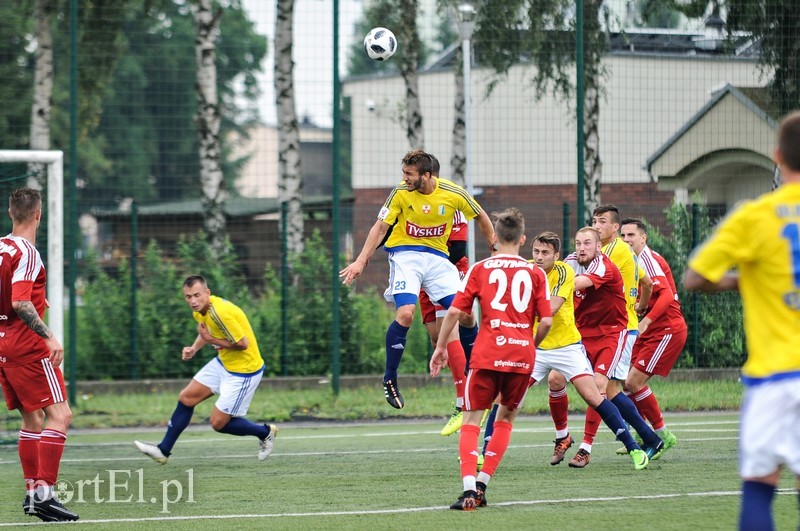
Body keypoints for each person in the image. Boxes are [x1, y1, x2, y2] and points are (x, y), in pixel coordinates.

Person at [684, 111, 800, 531]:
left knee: (758, 489)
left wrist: (746, 280)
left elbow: (695, 277)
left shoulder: (755, 214)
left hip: (772, 377)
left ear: (777, 157)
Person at [340, 149, 496, 409]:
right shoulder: (400, 193)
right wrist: (360, 260)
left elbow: (480, 215)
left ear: (426, 175)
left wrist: (494, 244)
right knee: (406, 315)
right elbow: (380, 227)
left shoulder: (453, 193)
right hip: (405, 256)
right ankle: (390, 378)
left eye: (409, 174)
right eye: (403, 173)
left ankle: (477, 373)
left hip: (437, 259)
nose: (405, 178)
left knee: (465, 313)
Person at [429, 208, 552, 510]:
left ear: (495, 237)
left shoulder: (480, 269)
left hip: (487, 354)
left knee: (471, 419)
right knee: (505, 418)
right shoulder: (536, 272)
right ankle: (483, 484)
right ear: (523, 238)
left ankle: (469, 490)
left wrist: (441, 346)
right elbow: (546, 322)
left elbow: (457, 312)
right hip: (522, 355)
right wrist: (530, 345)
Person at [529, 231, 649, 470]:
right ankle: (485, 453)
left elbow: (554, 304)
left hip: (592, 338)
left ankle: (629, 447)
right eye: (536, 252)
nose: (540, 257)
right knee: (510, 396)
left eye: (588, 243)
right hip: (542, 345)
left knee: (597, 393)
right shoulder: (537, 268)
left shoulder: (575, 270)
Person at [135, 275, 277, 464]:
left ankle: (265, 432)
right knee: (187, 398)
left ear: (207, 293)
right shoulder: (201, 310)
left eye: (197, 295)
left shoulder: (221, 313)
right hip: (224, 363)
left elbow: (243, 344)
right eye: (188, 296)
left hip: (244, 371)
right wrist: (194, 348)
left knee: (218, 423)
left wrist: (210, 340)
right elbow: (206, 333)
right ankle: (163, 451)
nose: (193, 301)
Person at [0, 188, 79, 522]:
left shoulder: (0, 247)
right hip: (26, 343)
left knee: (32, 418)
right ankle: (45, 493)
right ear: (38, 215)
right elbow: (20, 301)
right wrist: (49, 337)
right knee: (61, 416)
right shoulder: (27, 252)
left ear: (9, 212)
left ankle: (33, 494)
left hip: (2, 342)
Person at [561, 227, 663, 468]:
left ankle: (585, 448)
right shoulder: (572, 261)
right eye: (578, 242)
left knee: (600, 386)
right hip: (583, 333)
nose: (581, 247)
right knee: (610, 390)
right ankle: (651, 438)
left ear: (601, 243)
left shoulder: (610, 259)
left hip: (613, 332)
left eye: (588, 242)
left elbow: (570, 283)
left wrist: (642, 313)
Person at [619, 218, 685, 454]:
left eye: (631, 236)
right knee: (625, 383)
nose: (626, 240)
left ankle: (662, 435)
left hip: (666, 328)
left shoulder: (648, 259)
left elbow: (666, 296)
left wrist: (646, 320)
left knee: (632, 382)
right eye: (623, 236)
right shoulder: (628, 260)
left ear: (643, 238)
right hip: (647, 331)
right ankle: (645, 432)